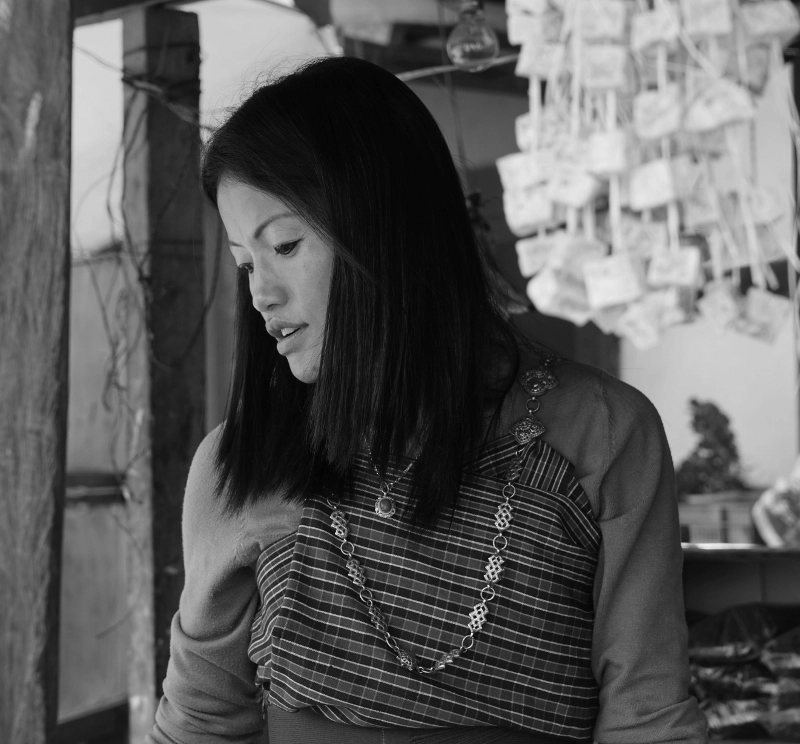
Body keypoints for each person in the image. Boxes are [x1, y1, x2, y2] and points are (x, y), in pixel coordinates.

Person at [147, 56, 708, 744]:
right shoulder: (240, 464)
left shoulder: (603, 434)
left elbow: (648, 722)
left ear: (387, 227)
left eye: (285, 245)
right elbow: (200, 722)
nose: (260, 293)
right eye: (244, 263)